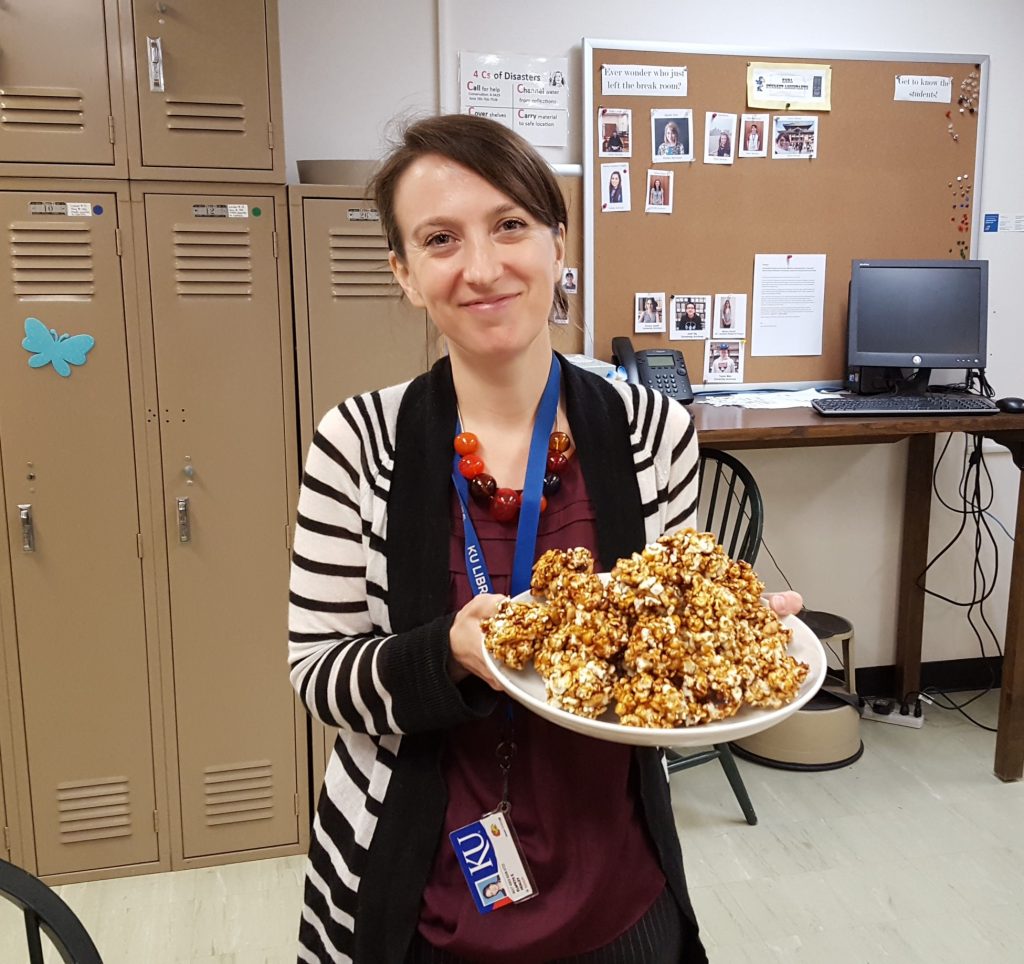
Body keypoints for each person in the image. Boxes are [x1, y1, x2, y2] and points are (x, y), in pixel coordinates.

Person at [288, 112, 801, 964]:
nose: (483, 267)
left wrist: (736, 645)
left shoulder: (651, 431)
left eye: (511, 225)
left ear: (560, 246)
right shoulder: (358, 440)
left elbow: (660, 653)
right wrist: (446, 656)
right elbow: (318, 676)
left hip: (617, 885)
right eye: (441, 239)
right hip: (420, 892)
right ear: (405, 274)